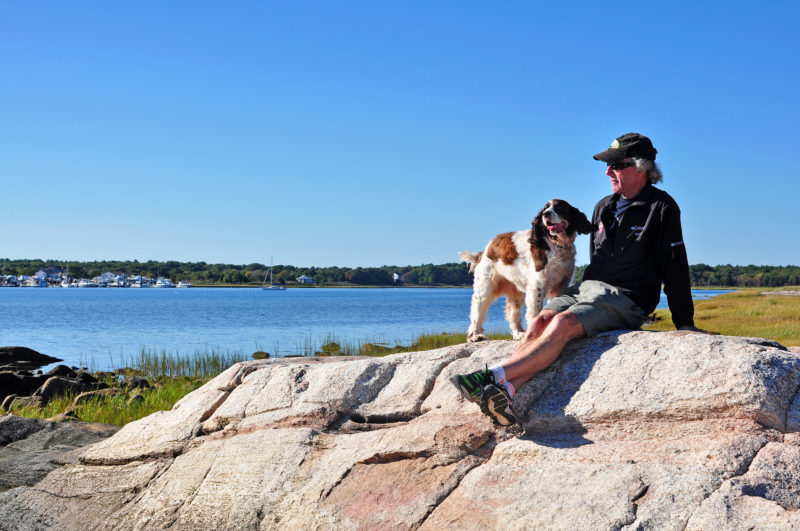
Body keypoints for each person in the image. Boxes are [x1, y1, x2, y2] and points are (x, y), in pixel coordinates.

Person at [452, 132, 702, 426]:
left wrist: (684, 321)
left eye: (617, 166)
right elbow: (596, 261)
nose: (608, 172)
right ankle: (506, 391)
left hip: (628, 296)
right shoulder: (603, 207)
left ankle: (490, 376)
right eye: (608, 166)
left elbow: (675, 264)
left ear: (641, 168)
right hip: (588, 288)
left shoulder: (662, 208)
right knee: (539, 322)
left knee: (561, 324)